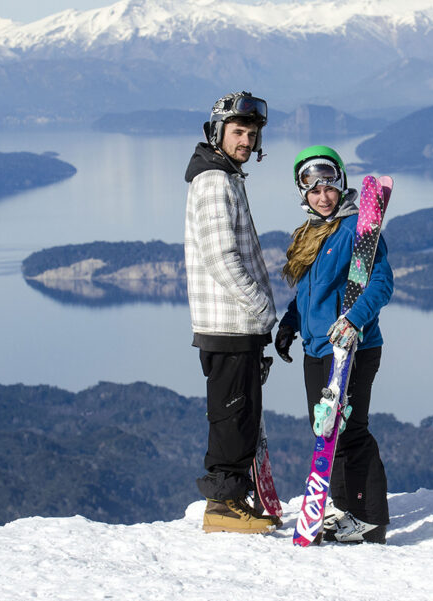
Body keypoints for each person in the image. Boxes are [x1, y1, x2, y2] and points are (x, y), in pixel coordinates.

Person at [275, 145, 394, 544]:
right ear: (303, 194)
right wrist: (291, 323)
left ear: (341, 184)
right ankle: (345, 506)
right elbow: (310, 293)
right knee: (327, 433)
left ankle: (370, 518)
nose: (323, 196)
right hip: (317, 348)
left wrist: (353, 320)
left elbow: (381, 284)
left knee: (351, 430)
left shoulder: (357, 230)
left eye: (329, 187)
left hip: (353, 347)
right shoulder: (311, 233)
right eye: (314, 190)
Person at [184, 91, 278, 534]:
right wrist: (261, 307)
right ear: (217, 132)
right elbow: (221, 258)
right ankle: (221, 506)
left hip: (237, 324)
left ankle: (234, 499)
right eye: (238, 132)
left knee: (240, 415)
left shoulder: (226, 176)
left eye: (252, 134)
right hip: (230, 323)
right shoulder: (214, 182)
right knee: (231, 414)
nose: (246, 140)